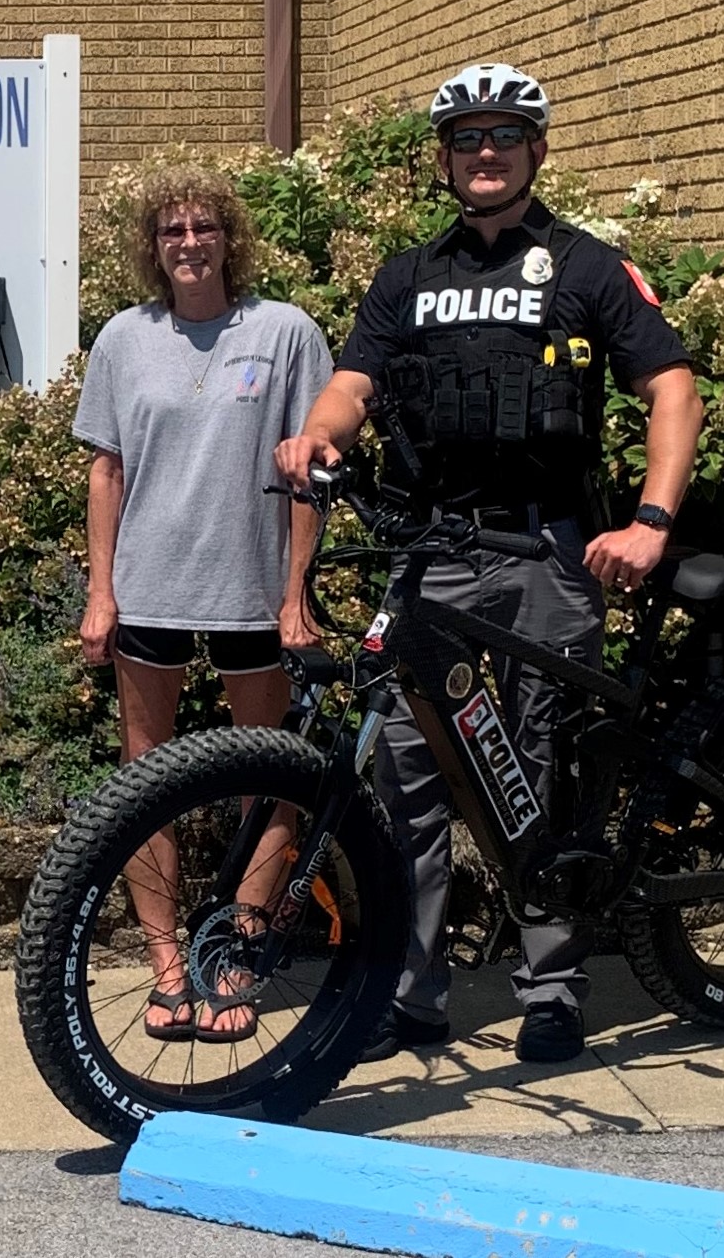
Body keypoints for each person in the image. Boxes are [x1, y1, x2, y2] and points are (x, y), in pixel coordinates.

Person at [276, 63, 701, 1065]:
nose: (483, 152)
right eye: (465, 137)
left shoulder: (588, 266)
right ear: (443, 157)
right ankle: (411, 993)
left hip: (547, 553)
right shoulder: (405, 276)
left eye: (503, 135)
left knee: (541, 764)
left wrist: (648, 521)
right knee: (411, 776)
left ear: (535, 150)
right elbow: (348, 386)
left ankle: (551, 987)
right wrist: (316, 438)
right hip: (434, 552)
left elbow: (671, 390)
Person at [74, 163, 332, 1041]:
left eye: (203, 228)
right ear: (153, 250)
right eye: (171, 231)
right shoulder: (122, 339)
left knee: (271, 779)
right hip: (149, 587)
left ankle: (236, 955)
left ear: (229, 239)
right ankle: (166, 964)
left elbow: (309, 476)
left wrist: (295, 594)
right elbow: (104, 471)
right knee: (144, 784)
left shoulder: (284, 332)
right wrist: (100, 592)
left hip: (252, 594)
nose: (189, 243)